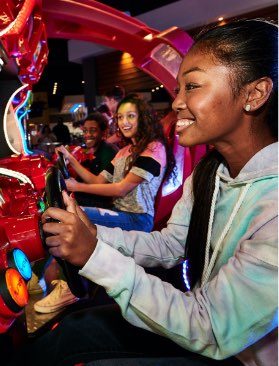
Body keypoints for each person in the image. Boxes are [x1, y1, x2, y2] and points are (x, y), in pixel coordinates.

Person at [11, 19, 277, 366]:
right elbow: (170, 245)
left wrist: (95, 255)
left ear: (254, 94)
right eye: (178, 89)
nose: (177, 103)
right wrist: (94, 236)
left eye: (192, 86)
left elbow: (210, 327)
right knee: (75, 330)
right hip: (204, 328)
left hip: (231, 351)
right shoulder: (210, 173)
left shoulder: (271, 204)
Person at [32, 112, 118, 313]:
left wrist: (73, 172)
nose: (88, 134)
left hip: (102, 203)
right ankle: (35, 276)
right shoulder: (92, 151)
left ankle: (68, 286)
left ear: (104, 132)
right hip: (89, 200)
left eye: (93, 130)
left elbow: (98, 183)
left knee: (62, 223)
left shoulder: (109, 152)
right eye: (85, 130)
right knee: (47, 215)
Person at [59, 94, 176, 233]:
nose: (124, 122)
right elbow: (98, 180)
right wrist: (70, 159)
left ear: (143, 118)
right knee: (70, 210)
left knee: (71, 213)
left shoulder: (154, 148)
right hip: (118, 212)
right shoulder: (124, 151)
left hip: (138, 218)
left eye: (130, 116)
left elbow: (121, 189)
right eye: (120, 117)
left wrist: (77, 187)